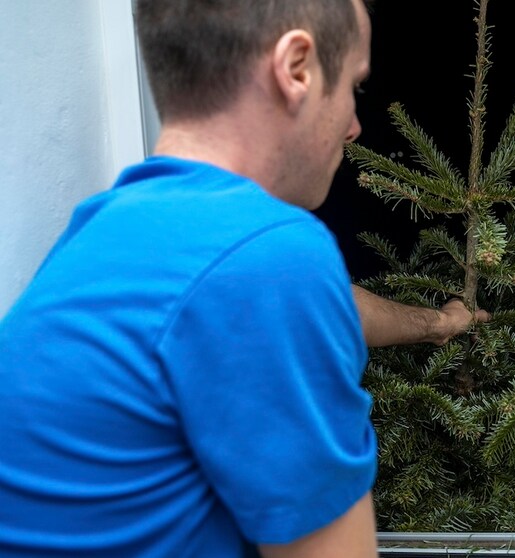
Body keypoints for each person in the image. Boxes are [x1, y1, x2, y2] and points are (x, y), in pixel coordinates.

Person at [0, 0, 489, 556]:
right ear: (296, 68)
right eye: (352, 86)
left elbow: (317, 309)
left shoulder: (102, 233)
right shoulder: (270, 257)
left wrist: (437, 324)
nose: (354, 126)